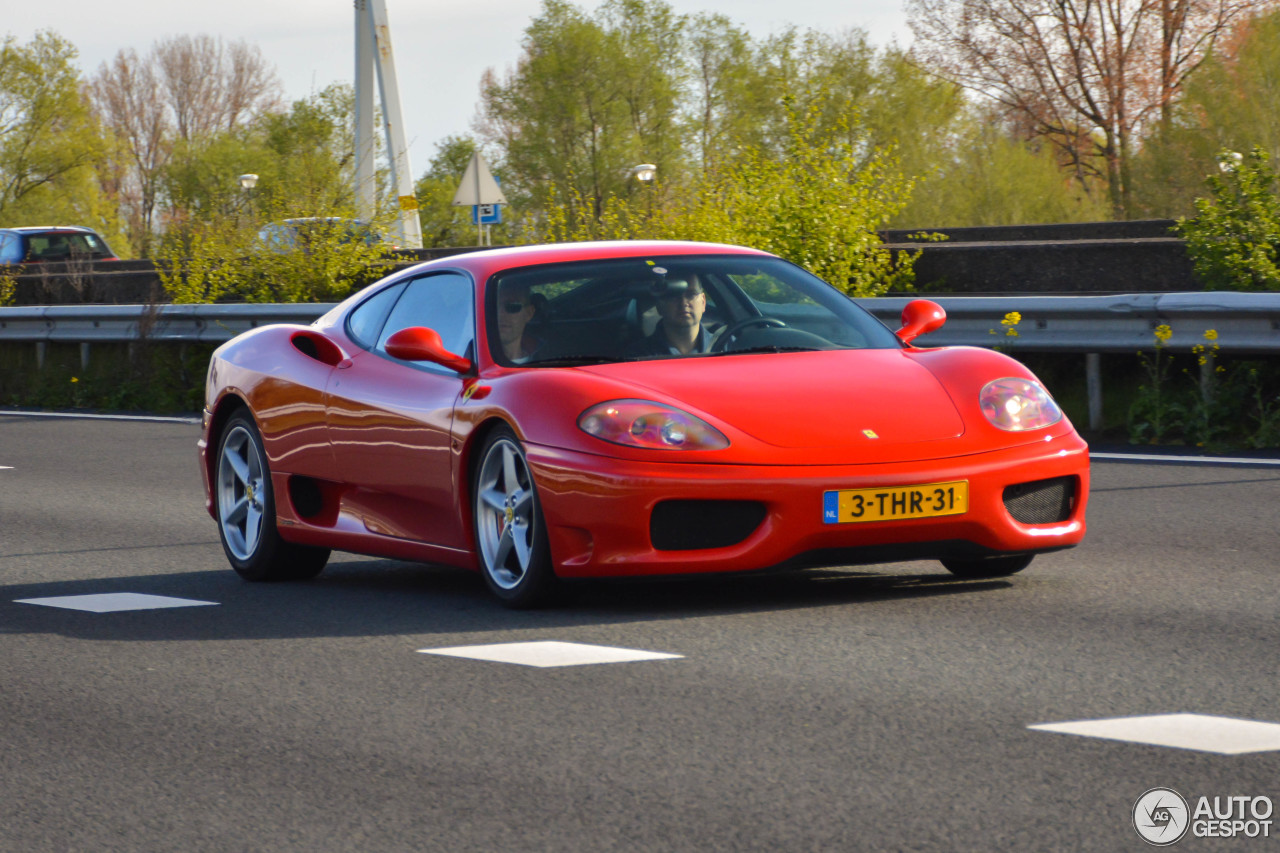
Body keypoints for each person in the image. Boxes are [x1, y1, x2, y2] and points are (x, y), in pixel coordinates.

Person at [630, 276, 713, 356]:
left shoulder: (722, 346)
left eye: (691, 294)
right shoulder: (637, 356)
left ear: (703, 302)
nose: (683, 303)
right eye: (674, 296)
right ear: (659, 306)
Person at [495, 280, 541, 363]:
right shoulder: (472, 359)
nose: (500, 314)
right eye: (494, 306)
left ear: (529, 313)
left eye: (512, 306)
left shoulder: (548, 360)